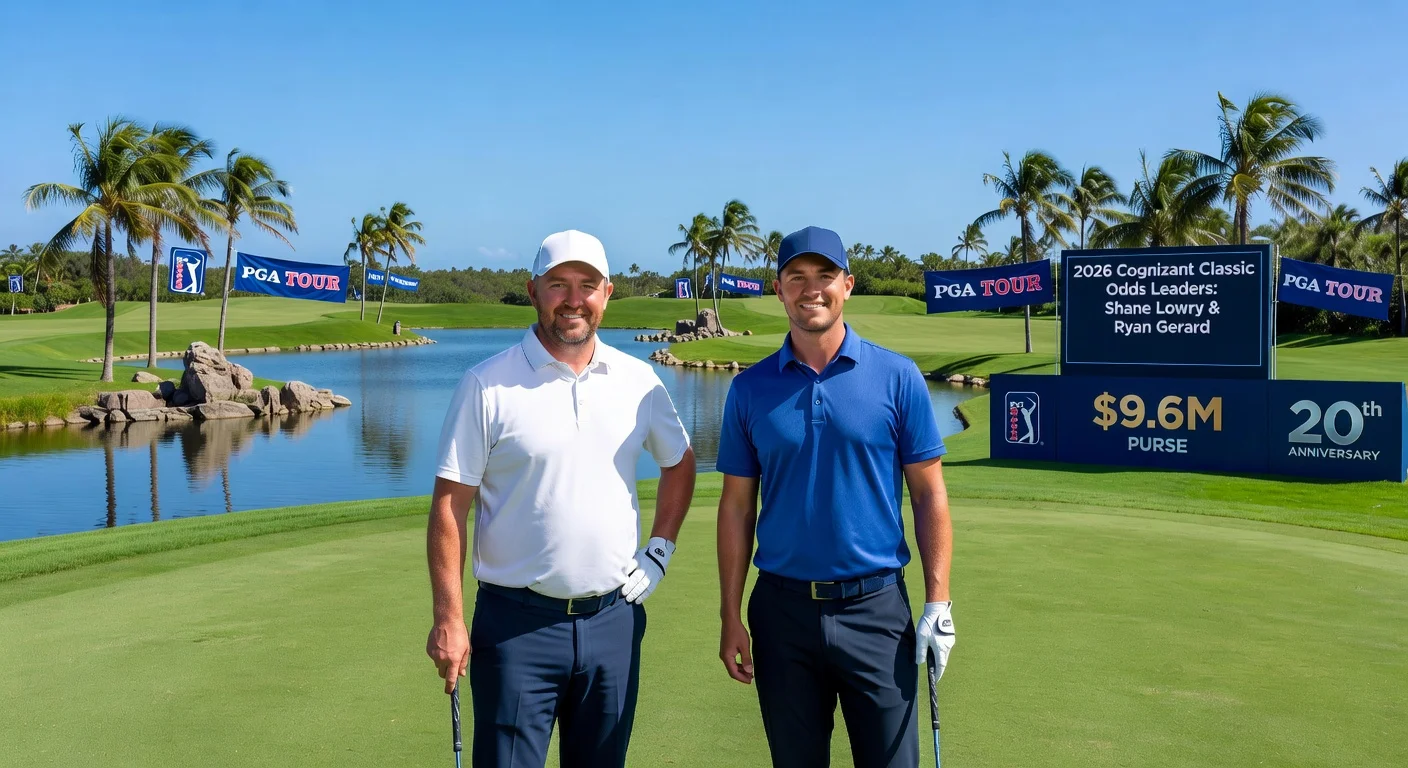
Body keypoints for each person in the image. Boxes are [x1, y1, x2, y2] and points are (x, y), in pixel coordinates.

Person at [426, 229, 697, 768]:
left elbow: (680, 463)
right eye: (558, 285)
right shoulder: (486, 384)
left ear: (607, 294)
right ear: (533, 291)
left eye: (587, 286)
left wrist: (660, 549)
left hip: (614, 622)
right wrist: (449, 618)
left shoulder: (639, 381)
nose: (574, 300)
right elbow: (449, 507)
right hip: (516, 627)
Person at [715, 226, 956, 767]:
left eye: (825, 276)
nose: (812, 289)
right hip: (781, 614)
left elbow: (929, 495)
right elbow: (736, 507)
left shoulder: (898, 377)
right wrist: (730, 614)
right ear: (778, 289)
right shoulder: (749, 389)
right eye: (796, 277)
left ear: (847, 284)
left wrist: (938, 602)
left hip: (877, 610)